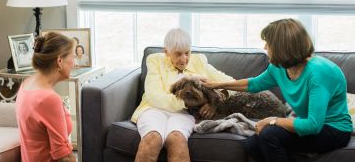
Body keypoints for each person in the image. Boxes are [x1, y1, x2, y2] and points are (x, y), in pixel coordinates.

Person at [202, 18, 353, 162]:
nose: (265, 47)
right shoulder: (279, 67)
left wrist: (273, 121)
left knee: (269, 134)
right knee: (252, 144)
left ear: (282, 46)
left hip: (334, 130)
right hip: (307, 125)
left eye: (268, 43)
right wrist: (217, 85)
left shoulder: (319, 72)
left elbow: (313, 125)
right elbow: (253, 84)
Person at [131, 28, 235, 162]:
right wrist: (187, 102)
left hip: (184, 113)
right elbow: (153, 96)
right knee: (152, 138)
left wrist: (214, 102)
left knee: (176, 139)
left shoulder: (199, 61)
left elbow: (231, 83)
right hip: (154, 109)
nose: (184, 59)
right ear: (166, 52)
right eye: (178, 54)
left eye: (187, 53)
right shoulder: (155, 60)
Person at [16, 32, 77, 162]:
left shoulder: (27, 83)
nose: (75, 63)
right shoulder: (49, 99)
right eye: (73, 57)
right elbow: (64, 157)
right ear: (60, 61)